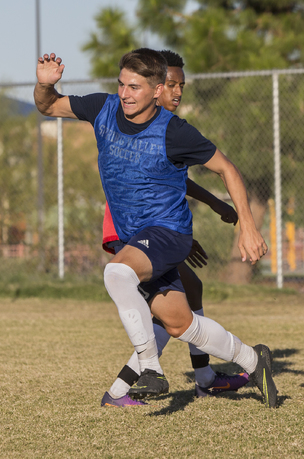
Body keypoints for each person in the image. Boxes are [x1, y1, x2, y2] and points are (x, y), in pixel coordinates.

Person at [34, 48, 278, 408]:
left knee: (116, 274)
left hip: (167, 232)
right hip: (134, 236)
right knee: (179, 323)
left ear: (156, 90)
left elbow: (228, 169)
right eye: (121, 84)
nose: (125, 93)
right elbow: (48, 106)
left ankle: (151, 369)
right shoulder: (102, 108)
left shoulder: (175, 131)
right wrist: (43, 85)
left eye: (134, 87)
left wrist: (248, 227)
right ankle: (254, 362)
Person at [100, 50, 250, 406]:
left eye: (181, 85)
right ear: (155, 88)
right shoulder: (149, 123)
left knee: (191, 290)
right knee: (168, 313)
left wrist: (205, 212)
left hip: (157, 227)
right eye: (171, 84)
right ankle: (131, 385)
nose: (177, 92)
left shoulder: (170, 129)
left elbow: (171, 182)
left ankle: (202, 377)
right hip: (134, 226)